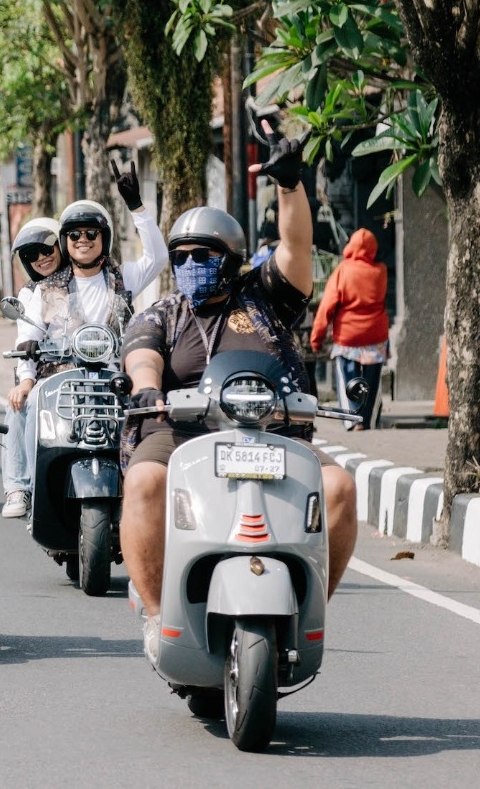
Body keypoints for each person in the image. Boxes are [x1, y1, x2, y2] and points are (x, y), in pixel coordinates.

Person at [118, 130, 357, 662]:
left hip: (273, 431)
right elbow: (142, 356)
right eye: (180, 256)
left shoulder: (266, 298)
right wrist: (149, 388)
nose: (190, 264)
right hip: (182, 433)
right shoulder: (164, 314)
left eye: (203, 254)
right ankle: (157, 614)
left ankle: (309, 609)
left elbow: (295, 247)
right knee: (143, 481)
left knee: (339, 486)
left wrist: (290, 185)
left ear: (232, 257)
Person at [3, 161, 168, 517]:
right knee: (28, 403)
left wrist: (137, 206)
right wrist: (27, 374)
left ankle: (149, 491)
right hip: (60, 381)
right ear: (65, 241)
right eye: (74, 234)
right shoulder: (45, 289)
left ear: (103, 238)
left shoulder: (123, 278)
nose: (82, 240)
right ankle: (29, 488)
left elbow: (158, 257)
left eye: (91, 233)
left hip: (114, 378)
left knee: (153, 411)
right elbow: (29, 333)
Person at [0, 215, 62, 517]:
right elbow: (26, 337)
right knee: (19, 404)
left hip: (95, 365)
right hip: (48, 372)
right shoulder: (31, 292)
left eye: (47, 249)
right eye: (31, 254)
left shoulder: (95, 277)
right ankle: (20, 487)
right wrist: (26, 379)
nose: (41, 258)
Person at [310, 227, 389, 430]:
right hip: (375, 334)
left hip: (348, 336)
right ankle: (368, 420)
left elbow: (327, 306)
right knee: (372, 381)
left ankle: (353, 420)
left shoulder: (343, 270)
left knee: (348, 378)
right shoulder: (380, 271)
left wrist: (316, 337)